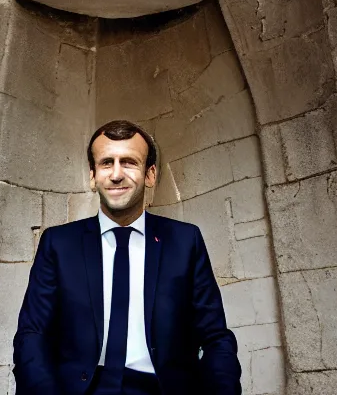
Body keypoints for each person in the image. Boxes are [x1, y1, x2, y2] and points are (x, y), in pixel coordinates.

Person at [13, 120, 241, 395]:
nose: (116, 174)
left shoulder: (184, 241)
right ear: (92, 176)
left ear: (150, 174)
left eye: (129, 162)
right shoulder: (58, 244)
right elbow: (32, 335)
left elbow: (216, 338)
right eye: (107, 163)